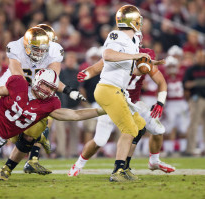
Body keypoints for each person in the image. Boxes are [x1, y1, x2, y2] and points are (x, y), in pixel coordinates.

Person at [0, 25, 86, 179]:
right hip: (8, 93)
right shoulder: (16, 49)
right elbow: (19, 80)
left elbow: (52, 80)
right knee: (2, 134)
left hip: (31, 95)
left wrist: (67, 90)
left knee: (30, 134)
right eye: (38, 47)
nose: (41, 52)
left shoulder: (54, 52)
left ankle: (9, 168)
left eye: (45, 47)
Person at [69, 5, 151, 182]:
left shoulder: (132, 42)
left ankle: (125, 166)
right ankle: (118, 170)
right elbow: (107, 55)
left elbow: (110, 64)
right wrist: (135, 57)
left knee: (140, 125)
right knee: (128, 129)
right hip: (108, 89)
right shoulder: (117, 35)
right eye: (139, 20)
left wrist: (147, 65)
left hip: (118, 91)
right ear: (132, 21)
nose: (141, 23)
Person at [69, 45, 176, 179]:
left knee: (157, 129)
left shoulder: (146, 59)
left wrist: (160, 102)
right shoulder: (119, 55)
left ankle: (151, 162)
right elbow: (97, 67)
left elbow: (161, 82)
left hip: (134, 103)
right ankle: (78, 165)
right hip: (114, 100)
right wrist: (87, 73)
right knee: (100, 141)